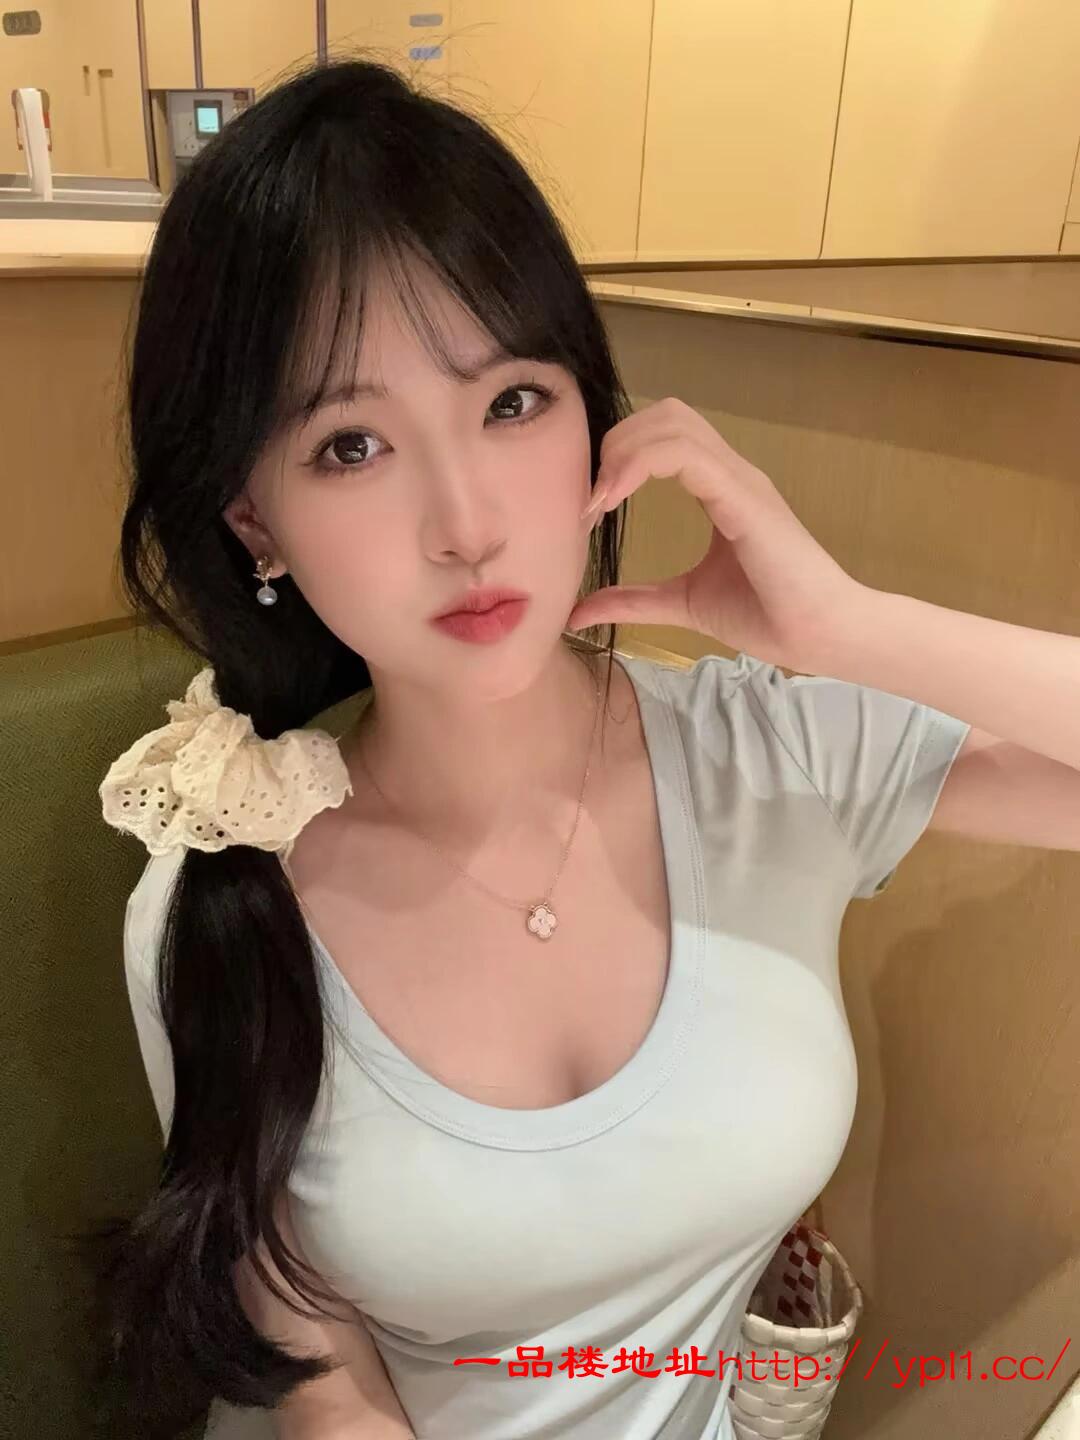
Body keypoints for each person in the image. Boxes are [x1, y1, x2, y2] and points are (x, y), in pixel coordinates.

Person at [96, 56, 972, 1440]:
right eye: (350, 446)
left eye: (511, 402)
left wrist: (851, 628)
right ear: (253, 521)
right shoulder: (218, 894)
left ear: (596, 421)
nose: (468, 525)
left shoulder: (772, 754)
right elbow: (323, 1389)